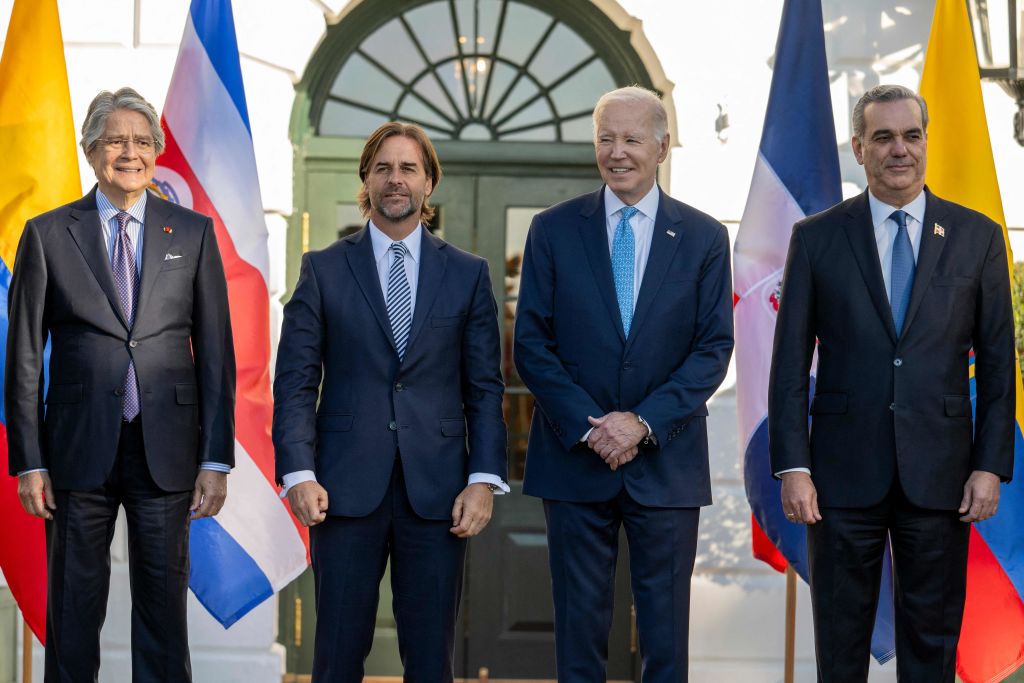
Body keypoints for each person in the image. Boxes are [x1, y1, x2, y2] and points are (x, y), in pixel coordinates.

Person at [768, 84, 1015, 682]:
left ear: (926, 141)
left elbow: (1000, 361)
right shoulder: (818, 237)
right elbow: (790, 362)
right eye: (883, 137)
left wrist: (990, 466)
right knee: (841, 641)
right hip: (839, 477)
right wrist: (793, 467)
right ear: (859, 147)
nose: (898, 149)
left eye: (911, 135)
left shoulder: (975, 236)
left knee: (932, 643)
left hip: (942, 475)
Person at [4, 87, 235, 683]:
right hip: (76, 452)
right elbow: (25, 354)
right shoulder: (49, 233)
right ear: (92, 151)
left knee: (162, 614)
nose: (128, 152)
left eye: (140, 140)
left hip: (168, 449)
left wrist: (216, 458)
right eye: (115, 141)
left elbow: (215, 355)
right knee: (74, 612)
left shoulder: (194, 233)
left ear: (156, 151)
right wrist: (29, 462)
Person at [273, 121, 508, 682]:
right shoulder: (324, 269)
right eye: (383, 168)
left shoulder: (469, 275)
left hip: (440, 493)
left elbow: (485, 387)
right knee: (334, 656)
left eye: (408, 168)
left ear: (429, 183)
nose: (395, 179)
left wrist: (484, 478)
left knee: (430, 661)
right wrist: (298, 472)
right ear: (367, 181)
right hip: (342, 490)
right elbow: (296, 382)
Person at [513, 86, 734, 681]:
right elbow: (531, 344)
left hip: (667, 465)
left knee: (665, 640)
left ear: (661, 147)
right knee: (579, 636)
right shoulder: (553, 230)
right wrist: (594, 428)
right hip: (574, 461)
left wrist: (641, 422)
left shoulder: (705, 238)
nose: (617, 152)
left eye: (632, 139)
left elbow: (713, 348)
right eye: (606, 138)